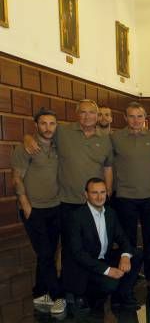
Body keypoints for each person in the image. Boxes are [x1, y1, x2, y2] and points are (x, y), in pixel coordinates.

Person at [23, 99, 114, 309]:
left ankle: (91, 286)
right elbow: (40, 135)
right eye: (83, 112)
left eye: (92, 113)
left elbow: (108, 167)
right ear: (76, 114)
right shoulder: (63, 132)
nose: (87, 116)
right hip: (68, 202)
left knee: (93, 246)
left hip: (94, 204)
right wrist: (27, 137)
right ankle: (70, 289)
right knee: (70, 249)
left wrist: (107, 193)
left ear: (98, 115)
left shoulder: (105, 139)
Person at [12, 108, 65, 315]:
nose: (48, 128)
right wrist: (26, 206)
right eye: (43, 123)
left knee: (48, 254)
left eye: (52, 123)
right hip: (34, 210)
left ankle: (39, 292)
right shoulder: (26, 148)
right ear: (36, 126)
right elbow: (16, 178)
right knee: (44, 253)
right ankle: (58, 296)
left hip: (55, 207)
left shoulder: (57, 146)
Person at [68, 178, 142, 321]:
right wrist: (108, 270)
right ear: (86, 194)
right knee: (110, 283)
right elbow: (78, 253)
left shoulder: (110, 213)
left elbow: (123, 239)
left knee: (137, 254)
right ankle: (88, 295)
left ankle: (123, 295)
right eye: (94, 193)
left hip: (104, 258)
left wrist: (125, 256)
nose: (99, 196)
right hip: (86, 266)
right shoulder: (76, 217)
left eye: (102, 192)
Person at [111, 102, 150, 289]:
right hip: (125, 196)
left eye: (139, 116)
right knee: (128, 240)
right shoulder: (115, 138)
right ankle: (130, 276)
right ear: (125, 118)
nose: (136, 120)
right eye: (131, 116)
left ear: (145, 119)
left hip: (149, 195)